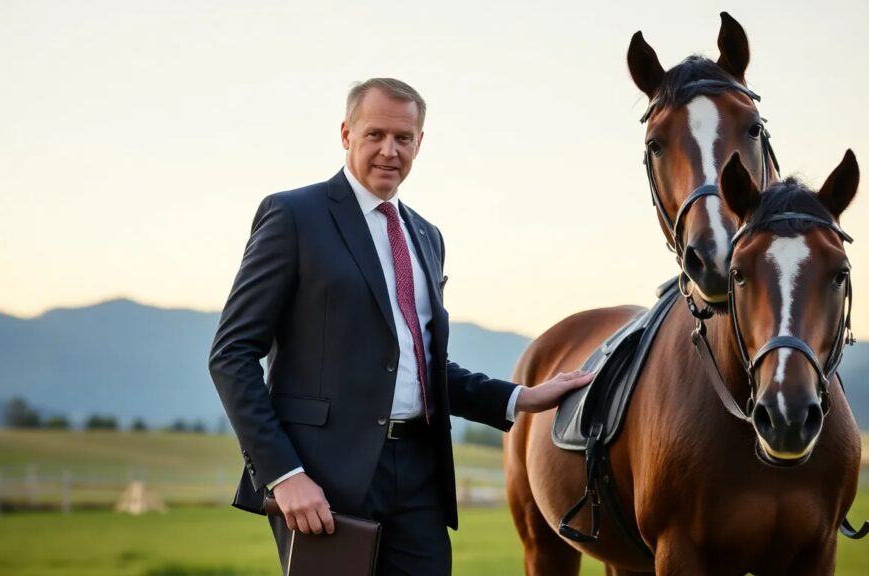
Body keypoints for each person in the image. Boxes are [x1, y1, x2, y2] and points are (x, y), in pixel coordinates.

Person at [209, 77, 591, 575]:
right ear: (346, 134)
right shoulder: (293, 216)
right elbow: (232, 354)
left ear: (419, 143)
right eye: (375, 135)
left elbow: (423, 366)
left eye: (403, 139)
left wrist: (521, 397)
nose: (390, 151)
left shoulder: (427, 237)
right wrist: (284, 474)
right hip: (323, 478)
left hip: (419, 477)